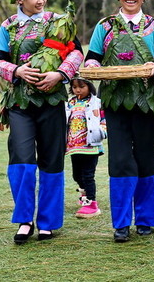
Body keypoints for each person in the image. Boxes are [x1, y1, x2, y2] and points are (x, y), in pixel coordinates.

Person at [84, 0, 154, 243]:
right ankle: (121, 222)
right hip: (115, 103)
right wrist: (94, 68)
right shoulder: (105, 26)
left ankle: (147, 219)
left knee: (146, 157)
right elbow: (92, 60)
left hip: (147, 101)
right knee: (120, 160)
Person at [0, 0, 83, 244]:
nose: (40, 0)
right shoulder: (8, 26)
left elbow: (77, 53)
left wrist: (60, 74)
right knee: (21, 158)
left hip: (52, 100)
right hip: (20, 103)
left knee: (51, 160)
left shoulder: (57, 21)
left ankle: (48, 221)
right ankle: (23, 220)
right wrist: (16, 71)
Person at [65, 76, 106, 218]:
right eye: (75, 87)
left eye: (81, 87)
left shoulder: (96, 102)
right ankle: (85, 192)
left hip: (90, 145)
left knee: (88, 175)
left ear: (89, 86)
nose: (78, 90)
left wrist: (102, 132)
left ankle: (92, 204)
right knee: (76, 174)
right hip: (74, 146)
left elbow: (103, 119)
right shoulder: (70, 102)